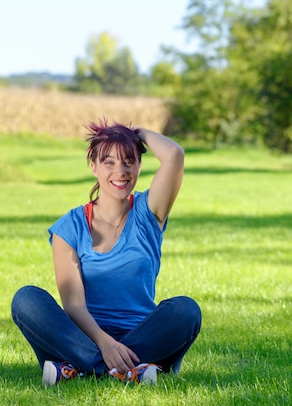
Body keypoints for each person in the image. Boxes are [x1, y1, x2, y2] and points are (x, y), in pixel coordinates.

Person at [11, 119, 202, 386]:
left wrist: (138, 133)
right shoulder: (70, 227)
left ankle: (75, 369)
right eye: (109, 162)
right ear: (94, 167)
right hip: (81, 337)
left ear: (139, 166)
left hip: (140, 335)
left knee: (186, 310)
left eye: (128, 161)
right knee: (26, 300)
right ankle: (129, 369)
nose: (120, 171)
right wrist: (105, 344)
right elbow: (74, 305)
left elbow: (174, 155)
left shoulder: (149, 213)